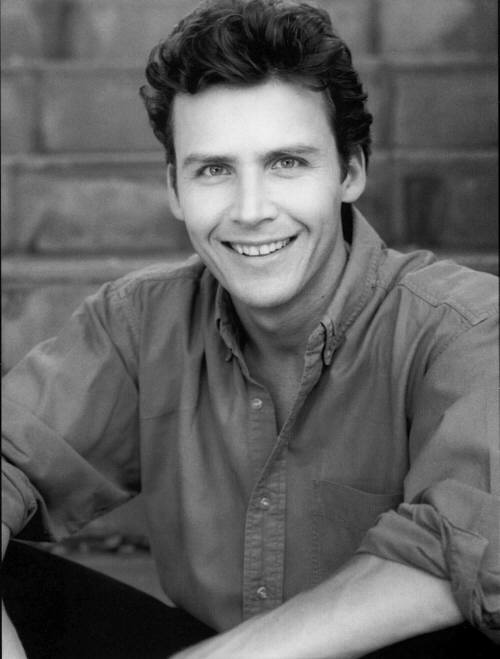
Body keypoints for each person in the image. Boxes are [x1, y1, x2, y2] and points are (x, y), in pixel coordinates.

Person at [2, 0, 499, 657]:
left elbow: (470, 549)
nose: (250, 209)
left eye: (286, 162)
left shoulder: (463, 326)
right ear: (175, 189)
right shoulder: (138, 322)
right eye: (214, 170)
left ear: (350, 172)